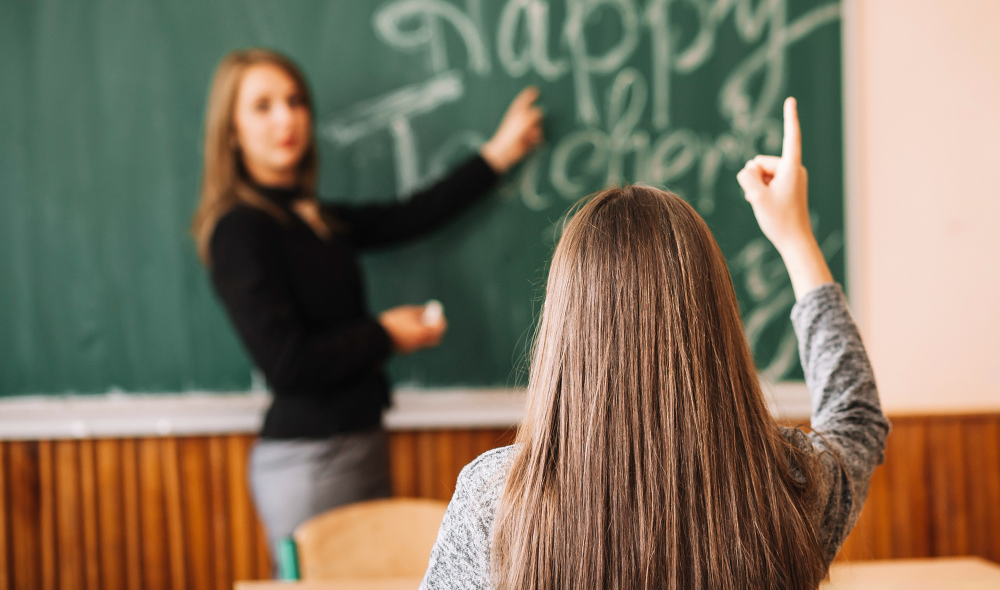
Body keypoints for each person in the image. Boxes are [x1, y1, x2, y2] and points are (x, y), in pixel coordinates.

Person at [420, 98, 889, 590]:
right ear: (716, 321)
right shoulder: (786, 486)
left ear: (563, 329)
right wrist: (796, 241)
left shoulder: (496, 501)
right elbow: (856, 418)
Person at [190, 48, 544, 563]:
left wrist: (499, 155)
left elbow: (410, 216)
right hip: (309, 460)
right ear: (231, 131)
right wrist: (385, 335)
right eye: (262, 106)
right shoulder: (239, 230)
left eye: (294, 101)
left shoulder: (312, 216)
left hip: (359, 443)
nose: (285, 118)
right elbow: (287, 364)